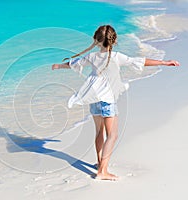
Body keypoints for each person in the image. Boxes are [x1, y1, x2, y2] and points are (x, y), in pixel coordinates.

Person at [52, 25, 180, 181]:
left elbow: (73, 63)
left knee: (99, 132)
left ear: (96, 40)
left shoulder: (91, 57)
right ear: (114, 40)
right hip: (107, 101)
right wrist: (164, 62)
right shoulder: (117, 56)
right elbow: (140, 61)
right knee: (112, 135)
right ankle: (102, 171)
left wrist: (57, 66)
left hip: (94, 99)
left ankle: (100, 163)